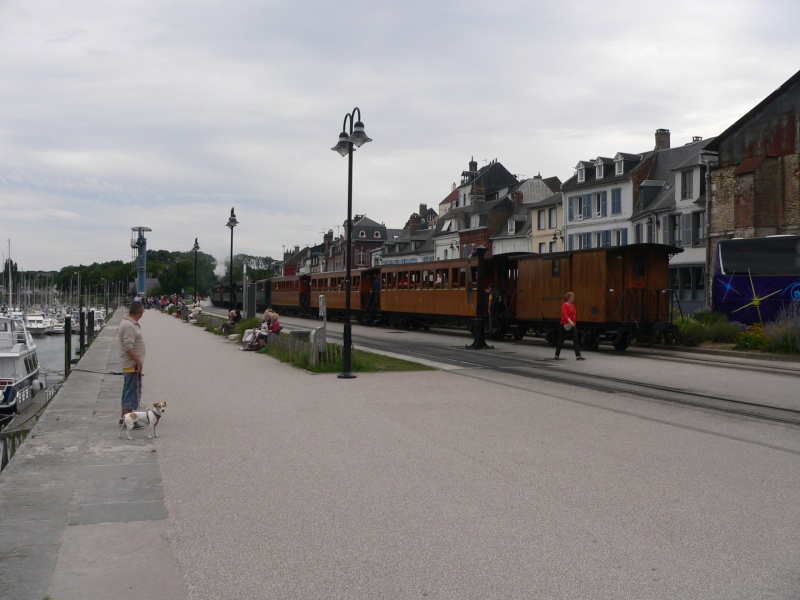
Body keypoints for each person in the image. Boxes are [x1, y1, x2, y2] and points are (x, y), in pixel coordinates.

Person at [118, 300, 146, 426]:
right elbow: (128, 347)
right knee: (131, 393)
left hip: (131, 365)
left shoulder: (128, 323)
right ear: (140, 312)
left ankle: (124, 418)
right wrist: (138, 362)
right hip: (132, 365)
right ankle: (130, 421)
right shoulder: (129, 325)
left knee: (128, 392)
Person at [554, 291, 585, 361]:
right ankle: (556, 354)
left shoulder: (572, 305)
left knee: (575, 339)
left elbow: (574, 315)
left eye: (573, 297)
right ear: (568, 298)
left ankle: (578, 355)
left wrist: (573, 323)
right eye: (572, 297)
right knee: (562, 339)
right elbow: (565, 315)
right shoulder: (564, 305)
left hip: (572, 325)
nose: (573, 298)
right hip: (564, 324)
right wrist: (570, 321)